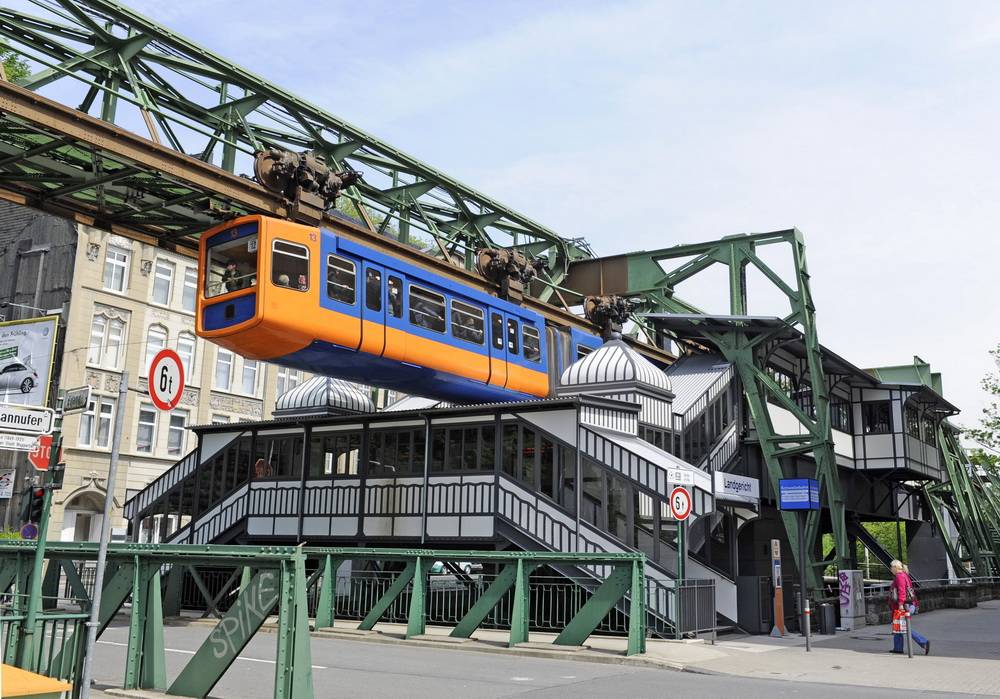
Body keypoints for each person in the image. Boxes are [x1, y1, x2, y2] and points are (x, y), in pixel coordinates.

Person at [889, 559, 929, 654]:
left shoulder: (899, 576)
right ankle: (898, 648)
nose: (890, 569)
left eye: (891, 567)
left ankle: (923, 642)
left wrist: (900, 605)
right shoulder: (904, 575)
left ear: (895, 567)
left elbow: (902, 591)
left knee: (904, 626)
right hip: (908, 604)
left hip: (904, 605)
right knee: (898, 625)